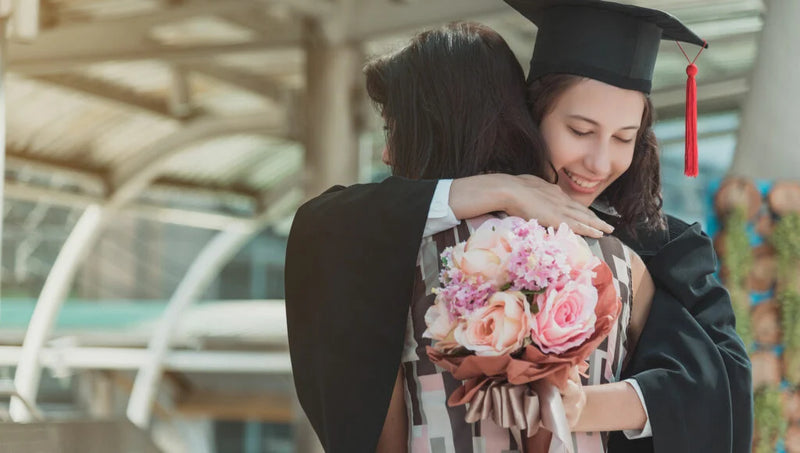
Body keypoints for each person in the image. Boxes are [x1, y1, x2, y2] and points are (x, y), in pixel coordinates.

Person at [286, 1, 752, 452]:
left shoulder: (659, 248)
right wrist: (500, 189)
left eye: (624, 138)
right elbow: (330, 223)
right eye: (579, 131)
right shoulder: (412, 231)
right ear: (530, 116)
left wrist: (583, 407)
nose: (599, 161)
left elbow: (720, 386)